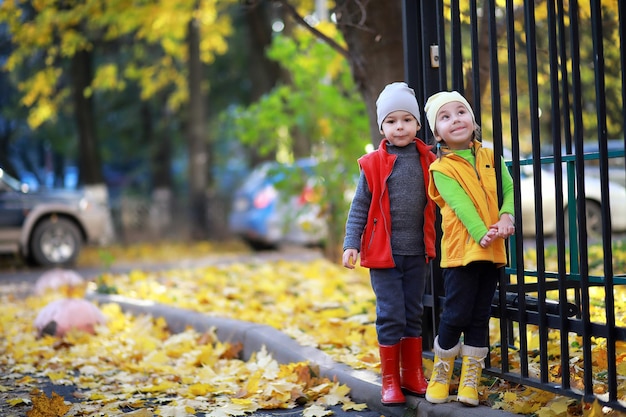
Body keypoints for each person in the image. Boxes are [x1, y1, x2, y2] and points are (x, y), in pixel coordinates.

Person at [342, 82, 437, 406]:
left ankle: (412, 375)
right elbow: (359, 208)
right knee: (391, 314)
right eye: (392, 121)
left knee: (413, 313)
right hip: (384, 254)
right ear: (382, 126)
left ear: (417, 125)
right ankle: (389, 380)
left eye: (407, 120)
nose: (400, 127)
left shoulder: (429, 159)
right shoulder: (372, 164)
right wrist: (350, 244)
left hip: (417, 253)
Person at [422, 91, 515, 406]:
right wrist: (481, 233)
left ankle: (470, 381)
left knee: (479, 317)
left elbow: (508, 188)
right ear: (438, 133)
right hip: (462, 253)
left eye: (461, 112)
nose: (455, 120)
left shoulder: (491, 157)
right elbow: (459, 204)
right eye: (445, 117)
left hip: (491, 252)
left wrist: (506, 216)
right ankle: (441, 373)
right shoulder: (441, 169)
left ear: (473, 120)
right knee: (456, 314)